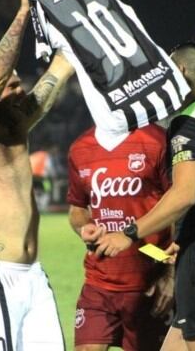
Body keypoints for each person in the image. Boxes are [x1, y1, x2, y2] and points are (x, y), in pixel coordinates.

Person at [0, 0, 114, 351]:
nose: (19, 87)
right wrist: (23, 11)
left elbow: (62, 64)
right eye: (11, 85)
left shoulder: (17, 124)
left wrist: (94, 0)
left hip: (33, 276)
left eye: (18, 82)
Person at [94, 41, 195, 351]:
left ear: (180, 72)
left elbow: (185, 194)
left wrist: (130, 233)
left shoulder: (188, 122)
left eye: (166, 70)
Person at [67, 123, 174, 351]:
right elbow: (77, 209)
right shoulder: (80, 148)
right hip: (99, 280)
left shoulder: (157, 140)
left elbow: (178, 207)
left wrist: (170, 274)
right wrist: (84, 226)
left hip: (149, 283)